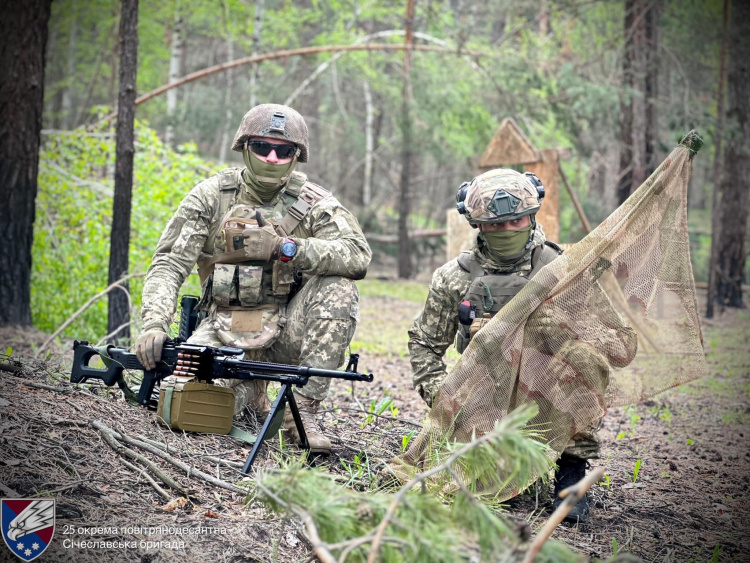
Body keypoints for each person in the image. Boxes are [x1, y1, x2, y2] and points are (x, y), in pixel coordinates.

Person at [135, 103, 371, 455]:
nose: (272, 157)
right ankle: (251, 393)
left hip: (289, 329)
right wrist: (154, 323)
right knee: (191, 403)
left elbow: (357, 255)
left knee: (338, 288)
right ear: (245, 147)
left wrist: (286, 248)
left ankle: (302, 410)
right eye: (262, 147)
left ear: (296, 156)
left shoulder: (315, 203)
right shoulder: (212, 196)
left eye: (284, 151)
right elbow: (169, 263)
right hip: (225, 327)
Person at [408, 168, 636, 522]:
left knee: (586, 361)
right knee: (459, 488)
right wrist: (440, 396)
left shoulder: (564, 270)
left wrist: (564, 337)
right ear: (477, 225)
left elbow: (619, 346)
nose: (507, 231)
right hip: (483, 395)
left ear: (532, 217)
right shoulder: (454, 277)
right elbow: (424, 342)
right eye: (495, 225)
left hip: (548, 398)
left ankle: (570, 469)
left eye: (516, 222)